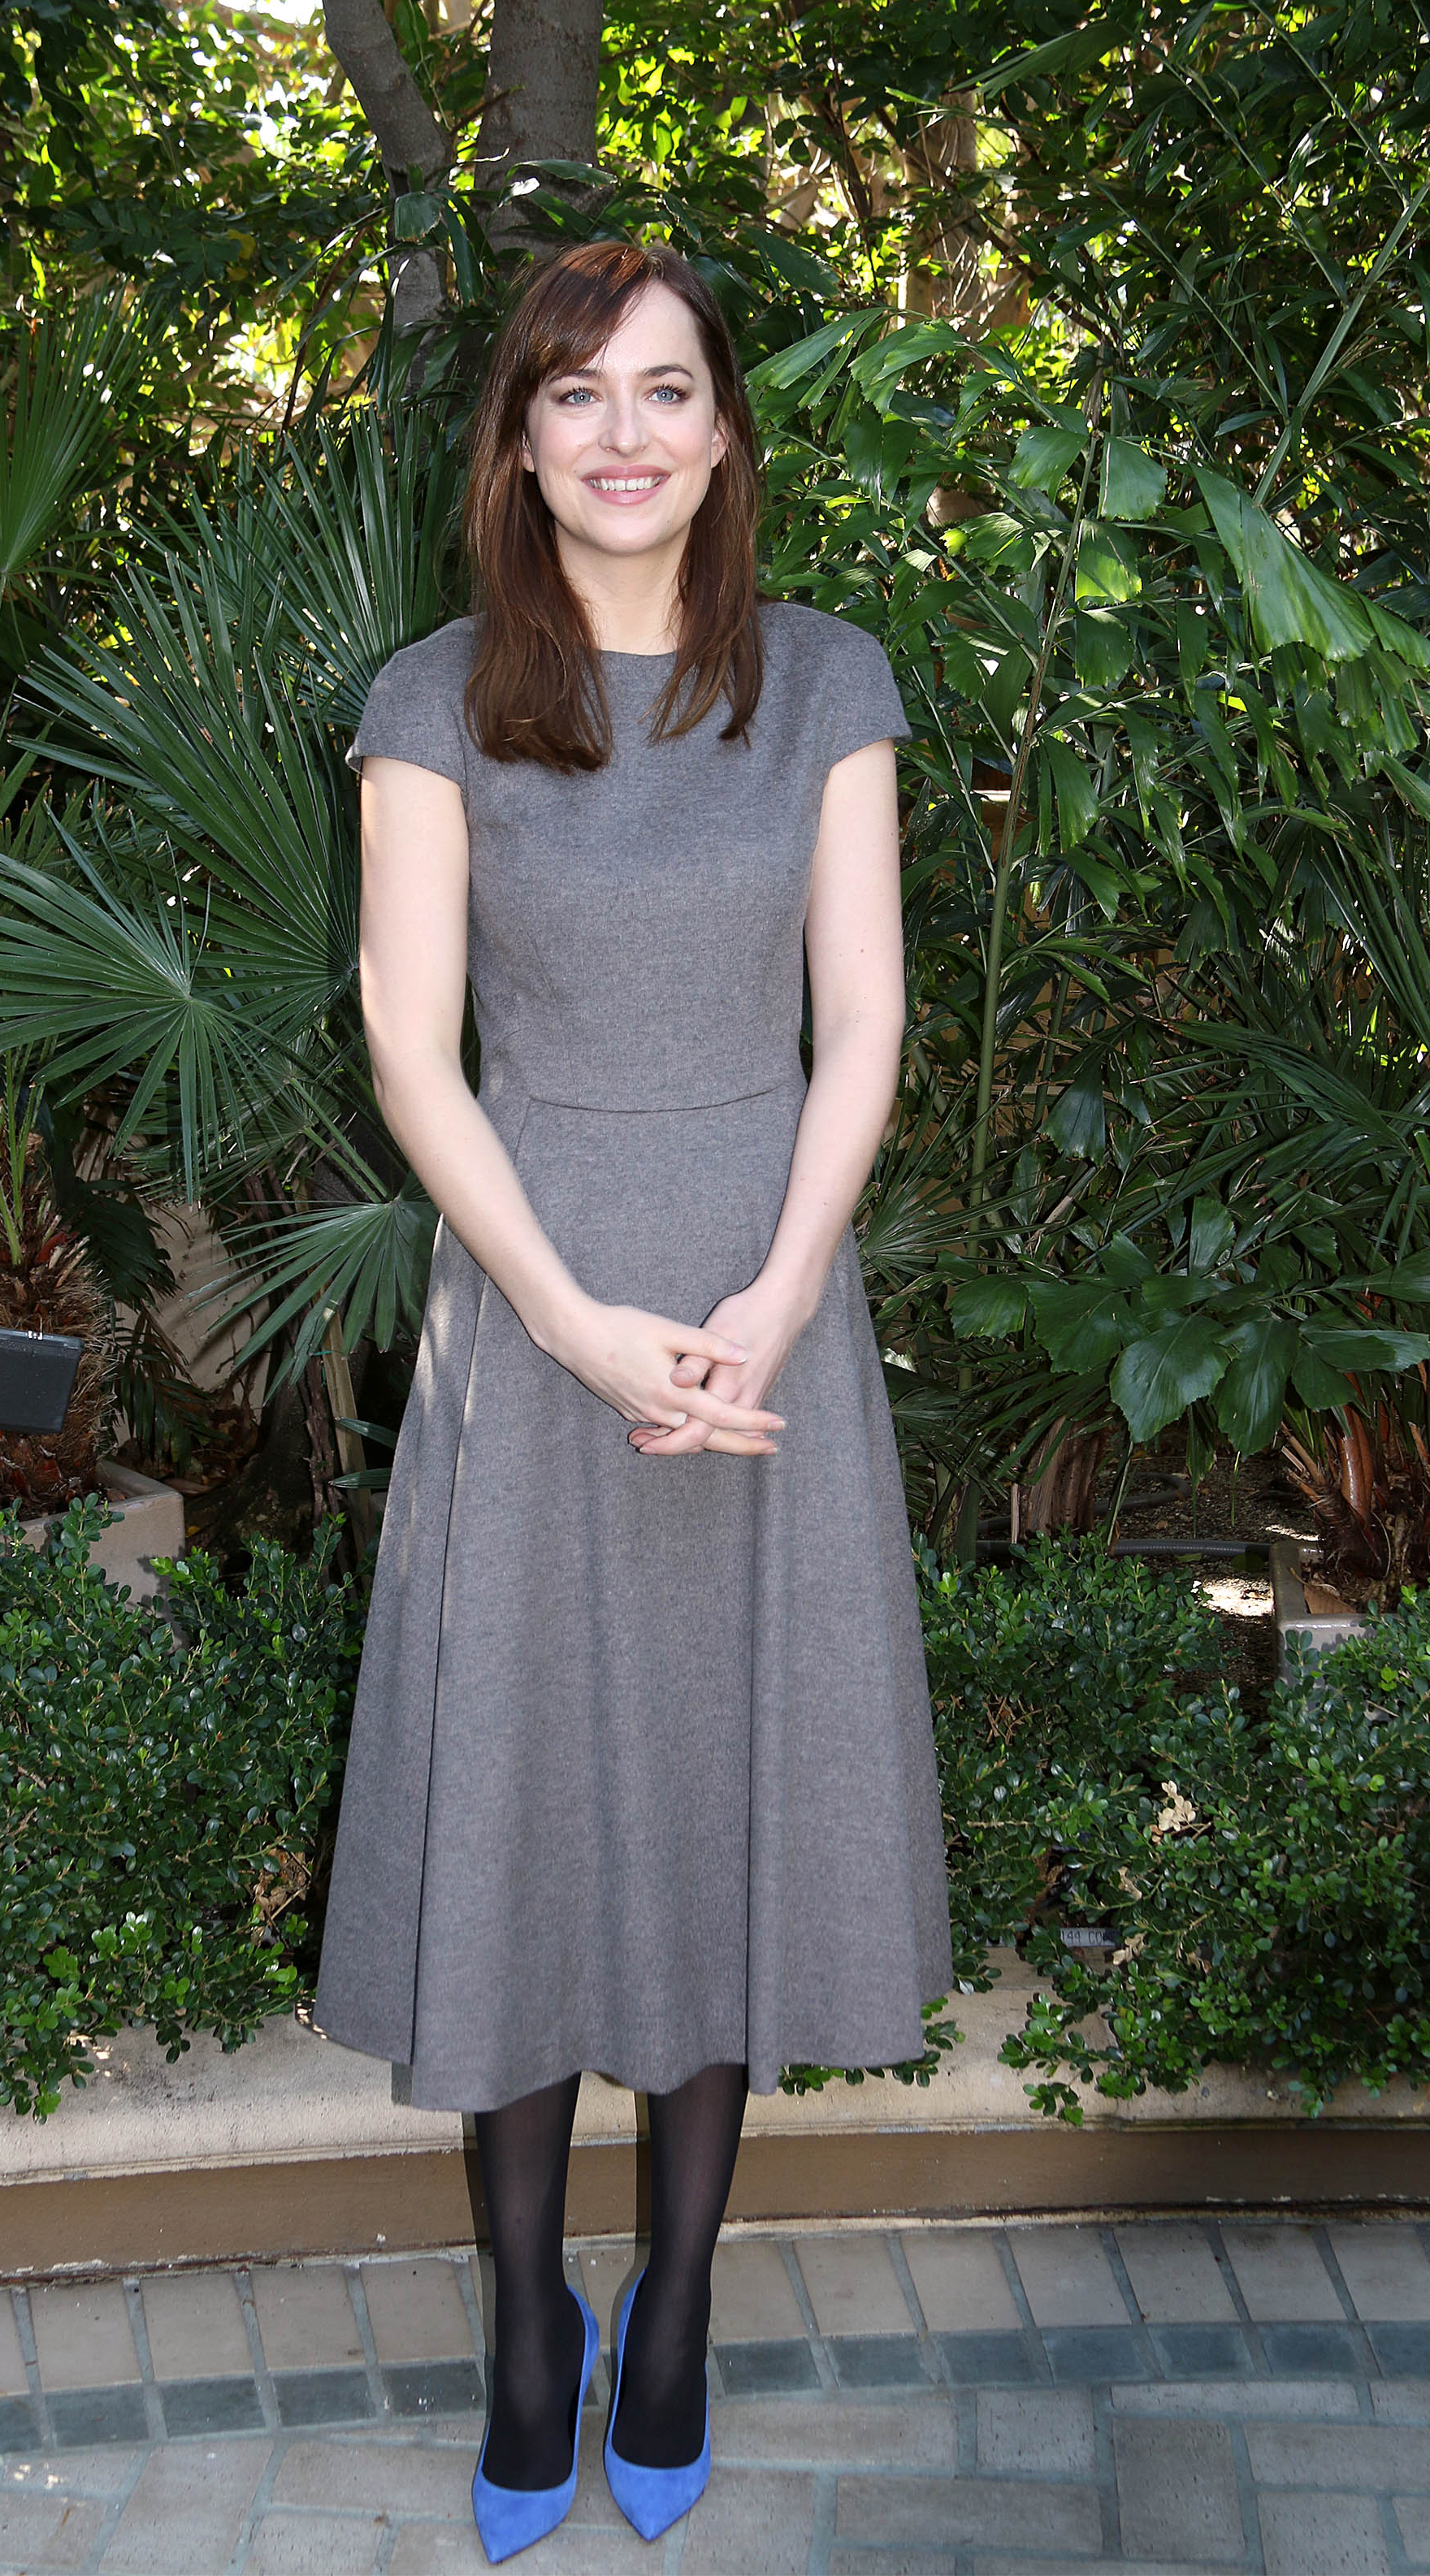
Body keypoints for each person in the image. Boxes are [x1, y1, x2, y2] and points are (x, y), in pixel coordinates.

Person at [313, 236, 952, 2562]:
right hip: (534, 1303)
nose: (622, 434)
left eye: (666, 390)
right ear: (516, 438)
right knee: (527, 1808)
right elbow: (413, 1047)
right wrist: (580, 1327)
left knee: (715, 1795)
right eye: (575, 393)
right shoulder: (430, 704)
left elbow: (862, 1020)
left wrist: (774, 1297)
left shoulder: (830, 681)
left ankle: (673, 2303)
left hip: (767, 1302)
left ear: (724, 433)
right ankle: (524, 2318)